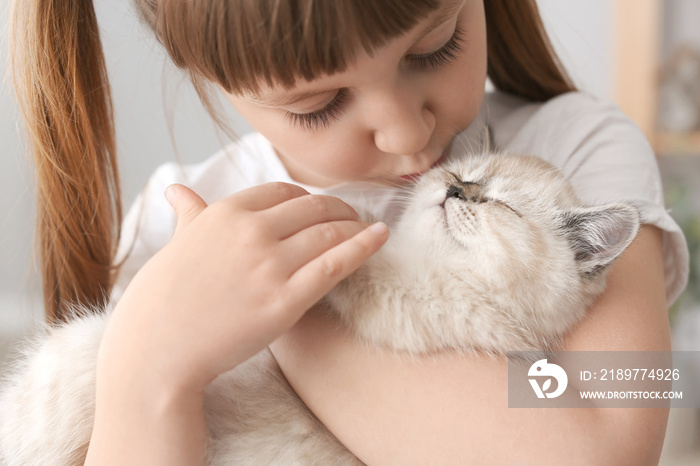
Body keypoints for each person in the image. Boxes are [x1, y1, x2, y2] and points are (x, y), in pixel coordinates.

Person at [3, 0, 688, 464]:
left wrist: (291, 319)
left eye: (435, 45)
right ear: (208, 76)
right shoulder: (179, 217)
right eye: (320, 104)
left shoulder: (573, 147)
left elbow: (612, 443)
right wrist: (146, 374)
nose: (406, 132)